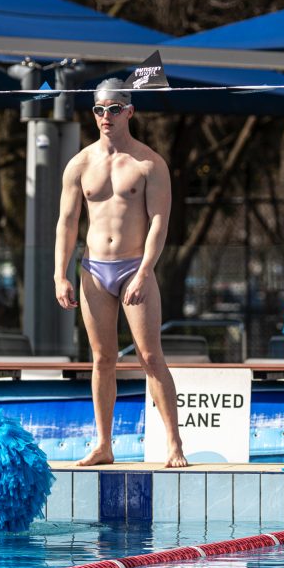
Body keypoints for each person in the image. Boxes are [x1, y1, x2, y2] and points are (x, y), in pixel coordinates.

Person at [54, 78, 187, 468]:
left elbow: (160, 222)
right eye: (99, 109)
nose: (106, 116)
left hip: (134, 267)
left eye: (114, 109)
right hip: (94, 269)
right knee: (102, 358)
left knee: (150, 356)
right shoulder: (80, 163)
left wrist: (146, 270)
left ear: (130, 111)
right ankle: (104, 444)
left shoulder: (149, 163)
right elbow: (66, 222)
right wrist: (59, 274)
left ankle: (175, 443)